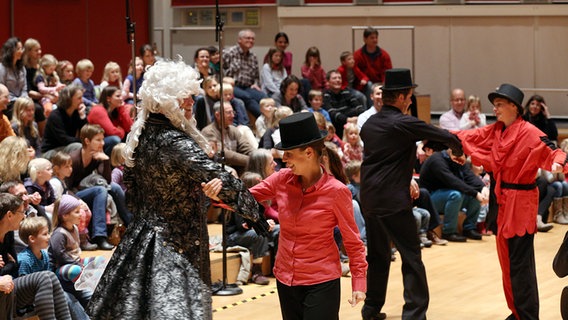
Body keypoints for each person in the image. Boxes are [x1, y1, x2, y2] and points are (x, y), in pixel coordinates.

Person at [87, 58, 268, 320]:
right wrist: (256, 214)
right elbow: (221, 178)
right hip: (175, 244)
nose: (192, 104)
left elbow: (133, 194)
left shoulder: (143, 137)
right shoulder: (175, 142)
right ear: (170, 101)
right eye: (187, 98)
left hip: (142, 236)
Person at [456, 83, 568, 319]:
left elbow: (553, 149)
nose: (495, 109)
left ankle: (527, 315)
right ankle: (517, 311)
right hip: (502, 202)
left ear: (514, 108)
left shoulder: (529, 132)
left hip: (521, 204)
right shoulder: (496, 130)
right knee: (507, 264)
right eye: (494, 105)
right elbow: (469, 136)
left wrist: (558, 161)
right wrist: (437, 138)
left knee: (520, 266)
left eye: (499, 105)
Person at [360, 68, 463, 320]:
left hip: (370, 199)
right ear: (403, 97)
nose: (410, 100)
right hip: (393, 200)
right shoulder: (403, 122)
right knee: (411, 256)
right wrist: (457, 147)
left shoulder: (370, 124)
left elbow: (398, 149)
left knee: (377, 255)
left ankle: (371, 308)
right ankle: (414, 314)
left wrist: (427, 145)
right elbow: (443, 135)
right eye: (409, 95)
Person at [243, 112, 367, 319]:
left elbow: (353, 242)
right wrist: (218, 191)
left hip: (321, 282)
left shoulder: (337, 191)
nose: (284, 159)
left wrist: (359, 282)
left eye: (288, 154)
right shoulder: (281, 179)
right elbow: (242, 197)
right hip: (285, 279)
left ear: (308, 152)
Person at [0, 193, 71, 320]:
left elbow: (13, 264)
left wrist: (8, 265)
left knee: (50, 276)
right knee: (44, 277)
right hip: (6, 288)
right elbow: (11, 268)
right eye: (21, 212)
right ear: (9, 215)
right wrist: (8, 267)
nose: (24, 215)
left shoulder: (8, 235)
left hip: (11, 285)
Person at [419, 149, 488, 242]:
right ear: (451, 150)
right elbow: (452, 181)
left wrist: (483, 188)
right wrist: (475, 193)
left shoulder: (459, 158)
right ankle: (448, 232)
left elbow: (469, 176)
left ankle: (469, 228)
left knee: (473, 197)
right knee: (456, 195)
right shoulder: (436, 160)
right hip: (430, 199)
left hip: (447, 195)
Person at [201, 101, 256, 175]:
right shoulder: (208, 132)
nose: (233, 115)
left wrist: (257, 157)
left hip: (236, 166)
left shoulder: (233, 129)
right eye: (229, 113)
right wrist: (251, 161)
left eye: (233, 112)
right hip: (217, 167)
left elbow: (245, 147)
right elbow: (224, 154)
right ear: (217, 115)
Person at [223, 29, 267, 118]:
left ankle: (272, 118)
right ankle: (263, 119)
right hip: (232, 86)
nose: (250, 40)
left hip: (248, 87)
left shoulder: (253, 56)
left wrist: (256, 84)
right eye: (248, 38)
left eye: (252, 39)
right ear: (239, 39)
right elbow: (220, 70)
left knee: (264, 97)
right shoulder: (229, 53)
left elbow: (256, 76)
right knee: (247, 97)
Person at [41, 85, 87, 158]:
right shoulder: (55, 116)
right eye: (79, 98)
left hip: (65, 147)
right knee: (78, 147)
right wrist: (83, 141)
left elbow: (85, 132)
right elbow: (64, 139)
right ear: (69, 99)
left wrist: (83, 117)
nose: (82, 101)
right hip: (50, 151)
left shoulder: (76, 113)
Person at [87, 85, 132, 153]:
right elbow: (112, 132)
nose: (121, 99)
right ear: (108, 99)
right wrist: (122, 131)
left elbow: (130, 128)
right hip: (94, 141)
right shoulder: (98, 110)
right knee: (115, 140)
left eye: (121, 96)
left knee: (130, 137)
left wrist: (122, 109)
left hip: (105, 139)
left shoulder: (117, 109)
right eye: (118, 96)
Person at [323, 70, 366, 138]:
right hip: (338, 126)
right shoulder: (325, 95)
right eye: (334, 78)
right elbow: (332, 113)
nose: (338, 80)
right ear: (328, 82)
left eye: (339, 78)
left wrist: (361, 117)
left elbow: (358, 106)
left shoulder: (346, 91)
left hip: (352, 122)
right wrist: (347, 119)